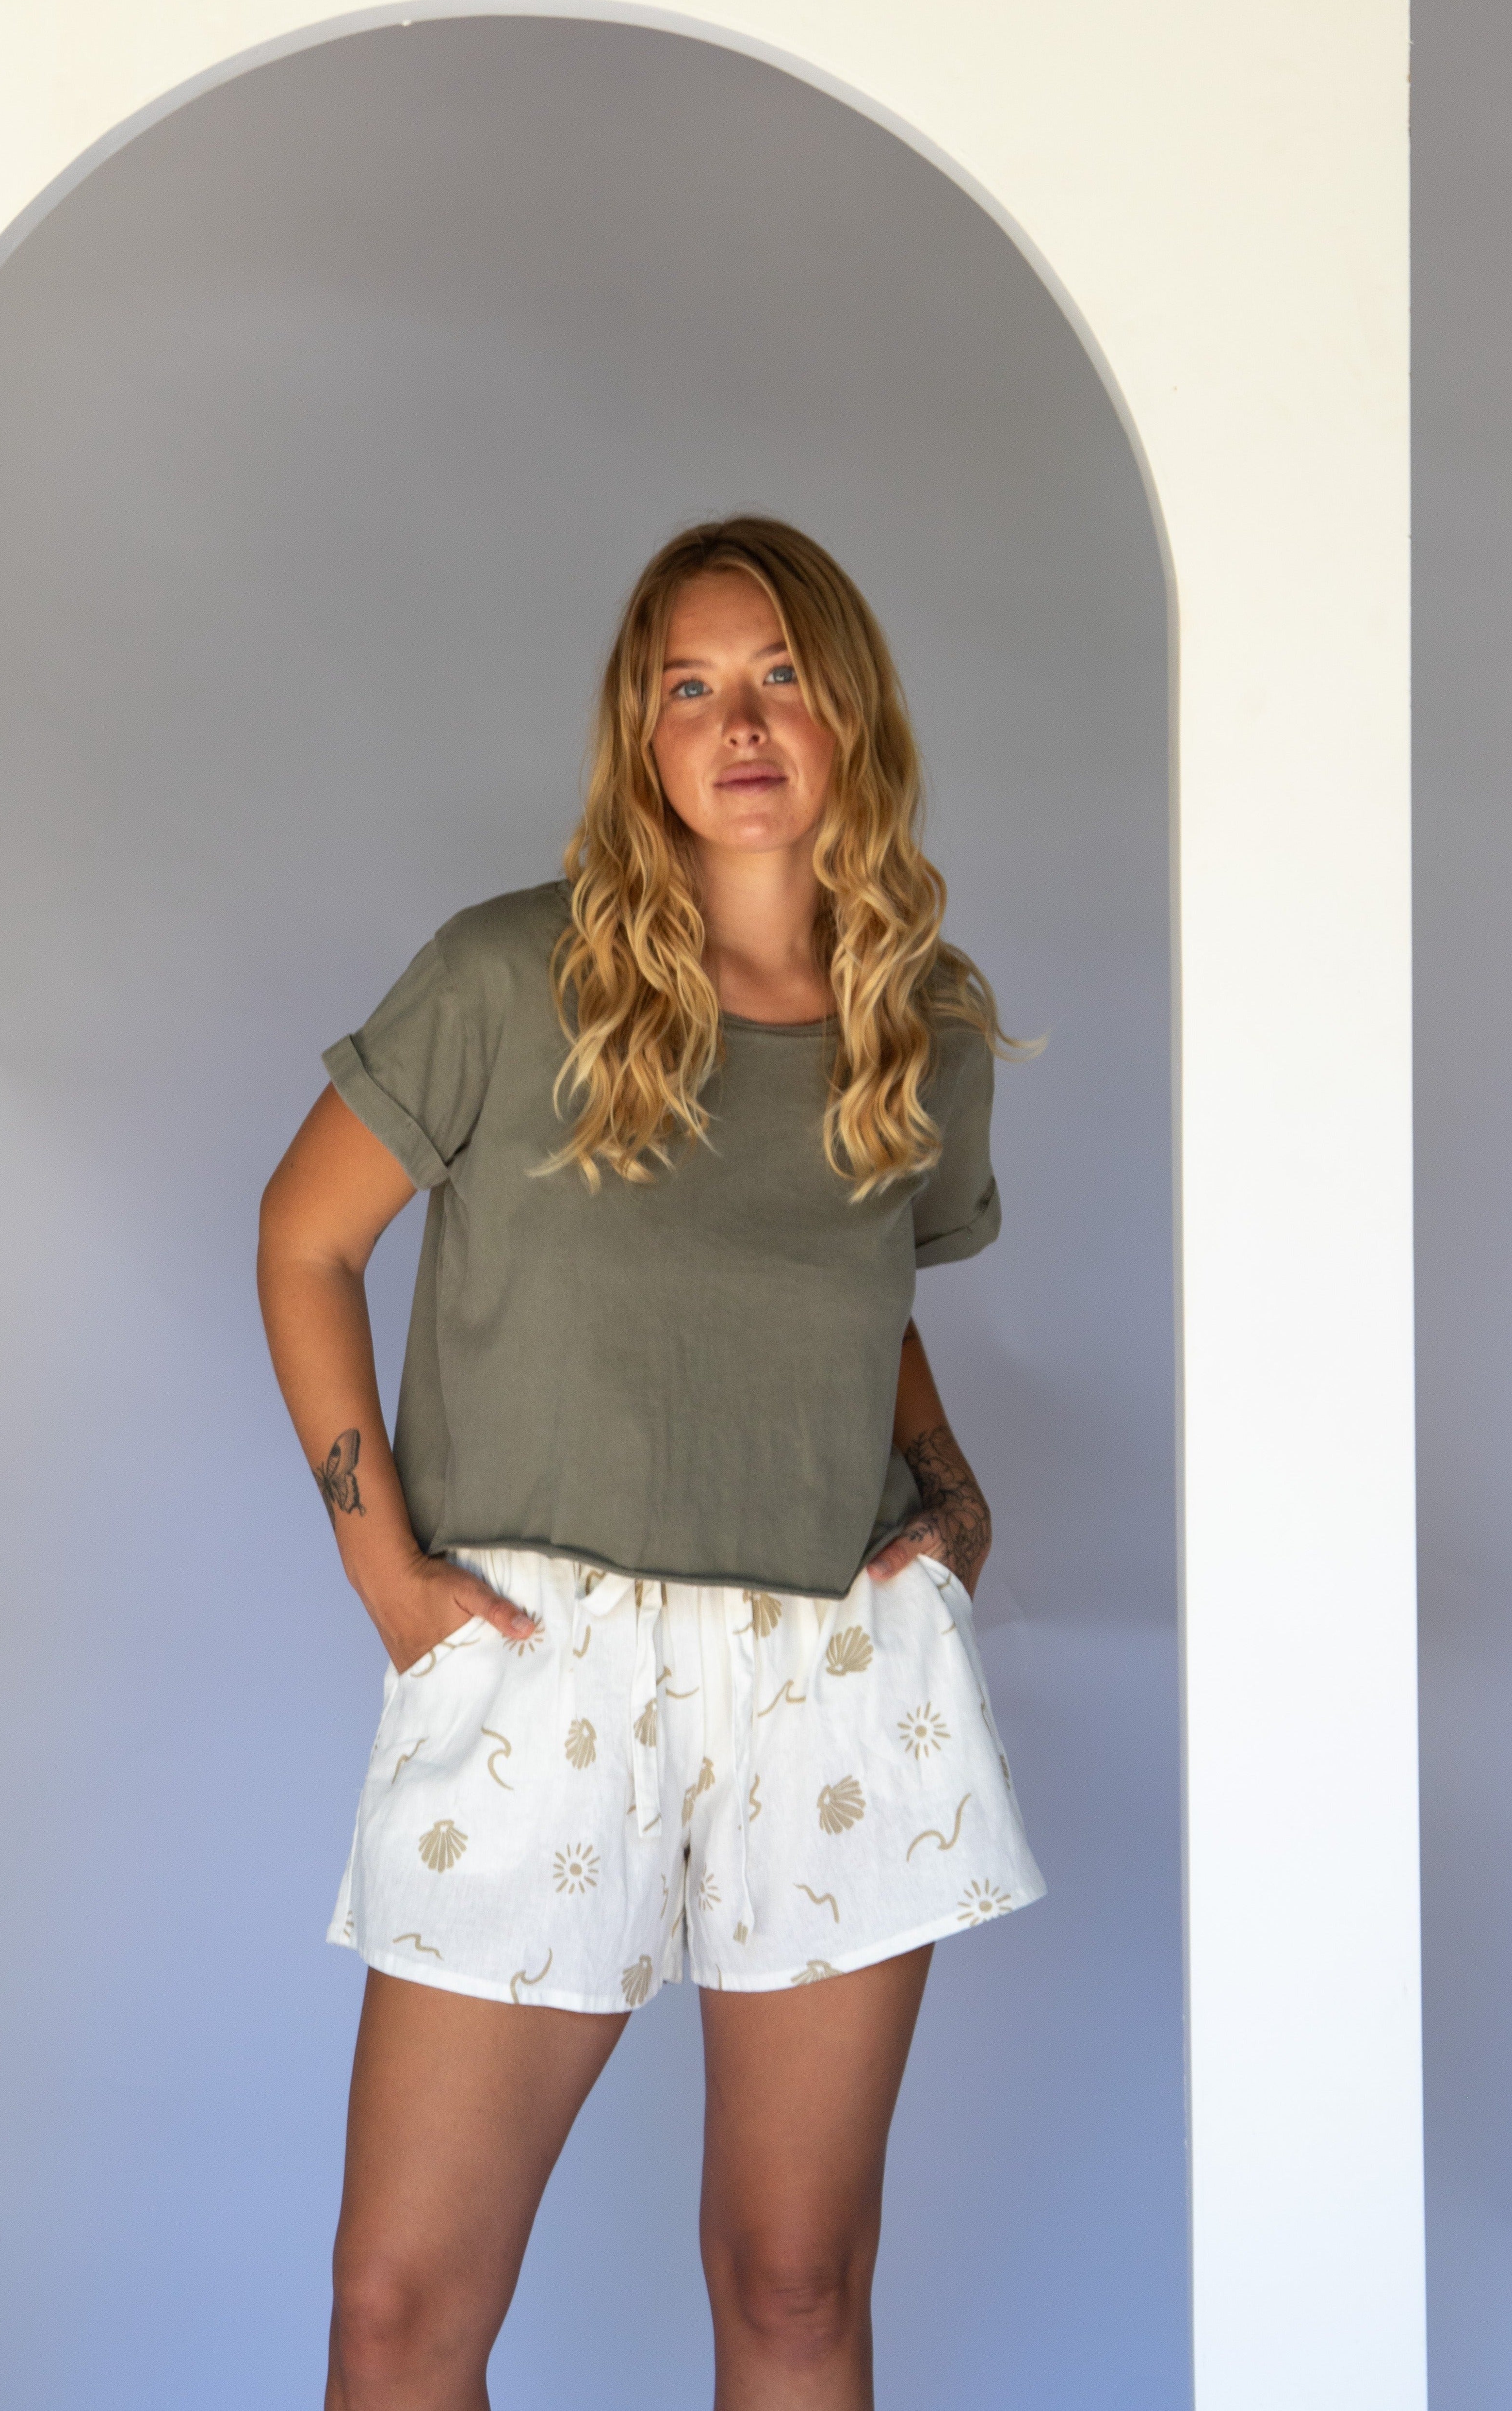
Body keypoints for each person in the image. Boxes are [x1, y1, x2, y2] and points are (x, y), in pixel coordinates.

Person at [257, 516, 1043, 2410]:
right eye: (689, 687)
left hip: (831, 1674)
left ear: (849, 711)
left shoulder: (920, 1020)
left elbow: (862, 1296)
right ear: (642, 734)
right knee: (399, 2311)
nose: (737, 723)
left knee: (794, 2284)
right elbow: (304, 1239)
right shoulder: (507, 976)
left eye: (777, 677)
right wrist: (384, 1570)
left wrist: (949, 1486)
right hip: (548, 1662)